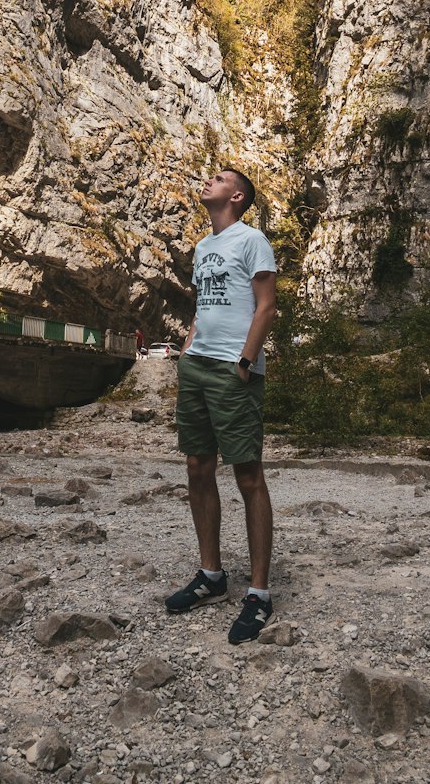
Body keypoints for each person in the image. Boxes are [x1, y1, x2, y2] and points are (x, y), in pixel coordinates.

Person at [165, 168, 277, 644]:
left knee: (248, 475)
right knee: (197, 467)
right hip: (197, 366)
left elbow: (266, 306)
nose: (206, 181)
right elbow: (202, 307)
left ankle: (259, 594)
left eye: (218, 178)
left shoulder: (253, 240)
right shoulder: (203, 247)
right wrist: (188, 350)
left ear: (237, 195)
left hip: (235, 369)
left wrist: (245, 361)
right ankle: (211, 576)